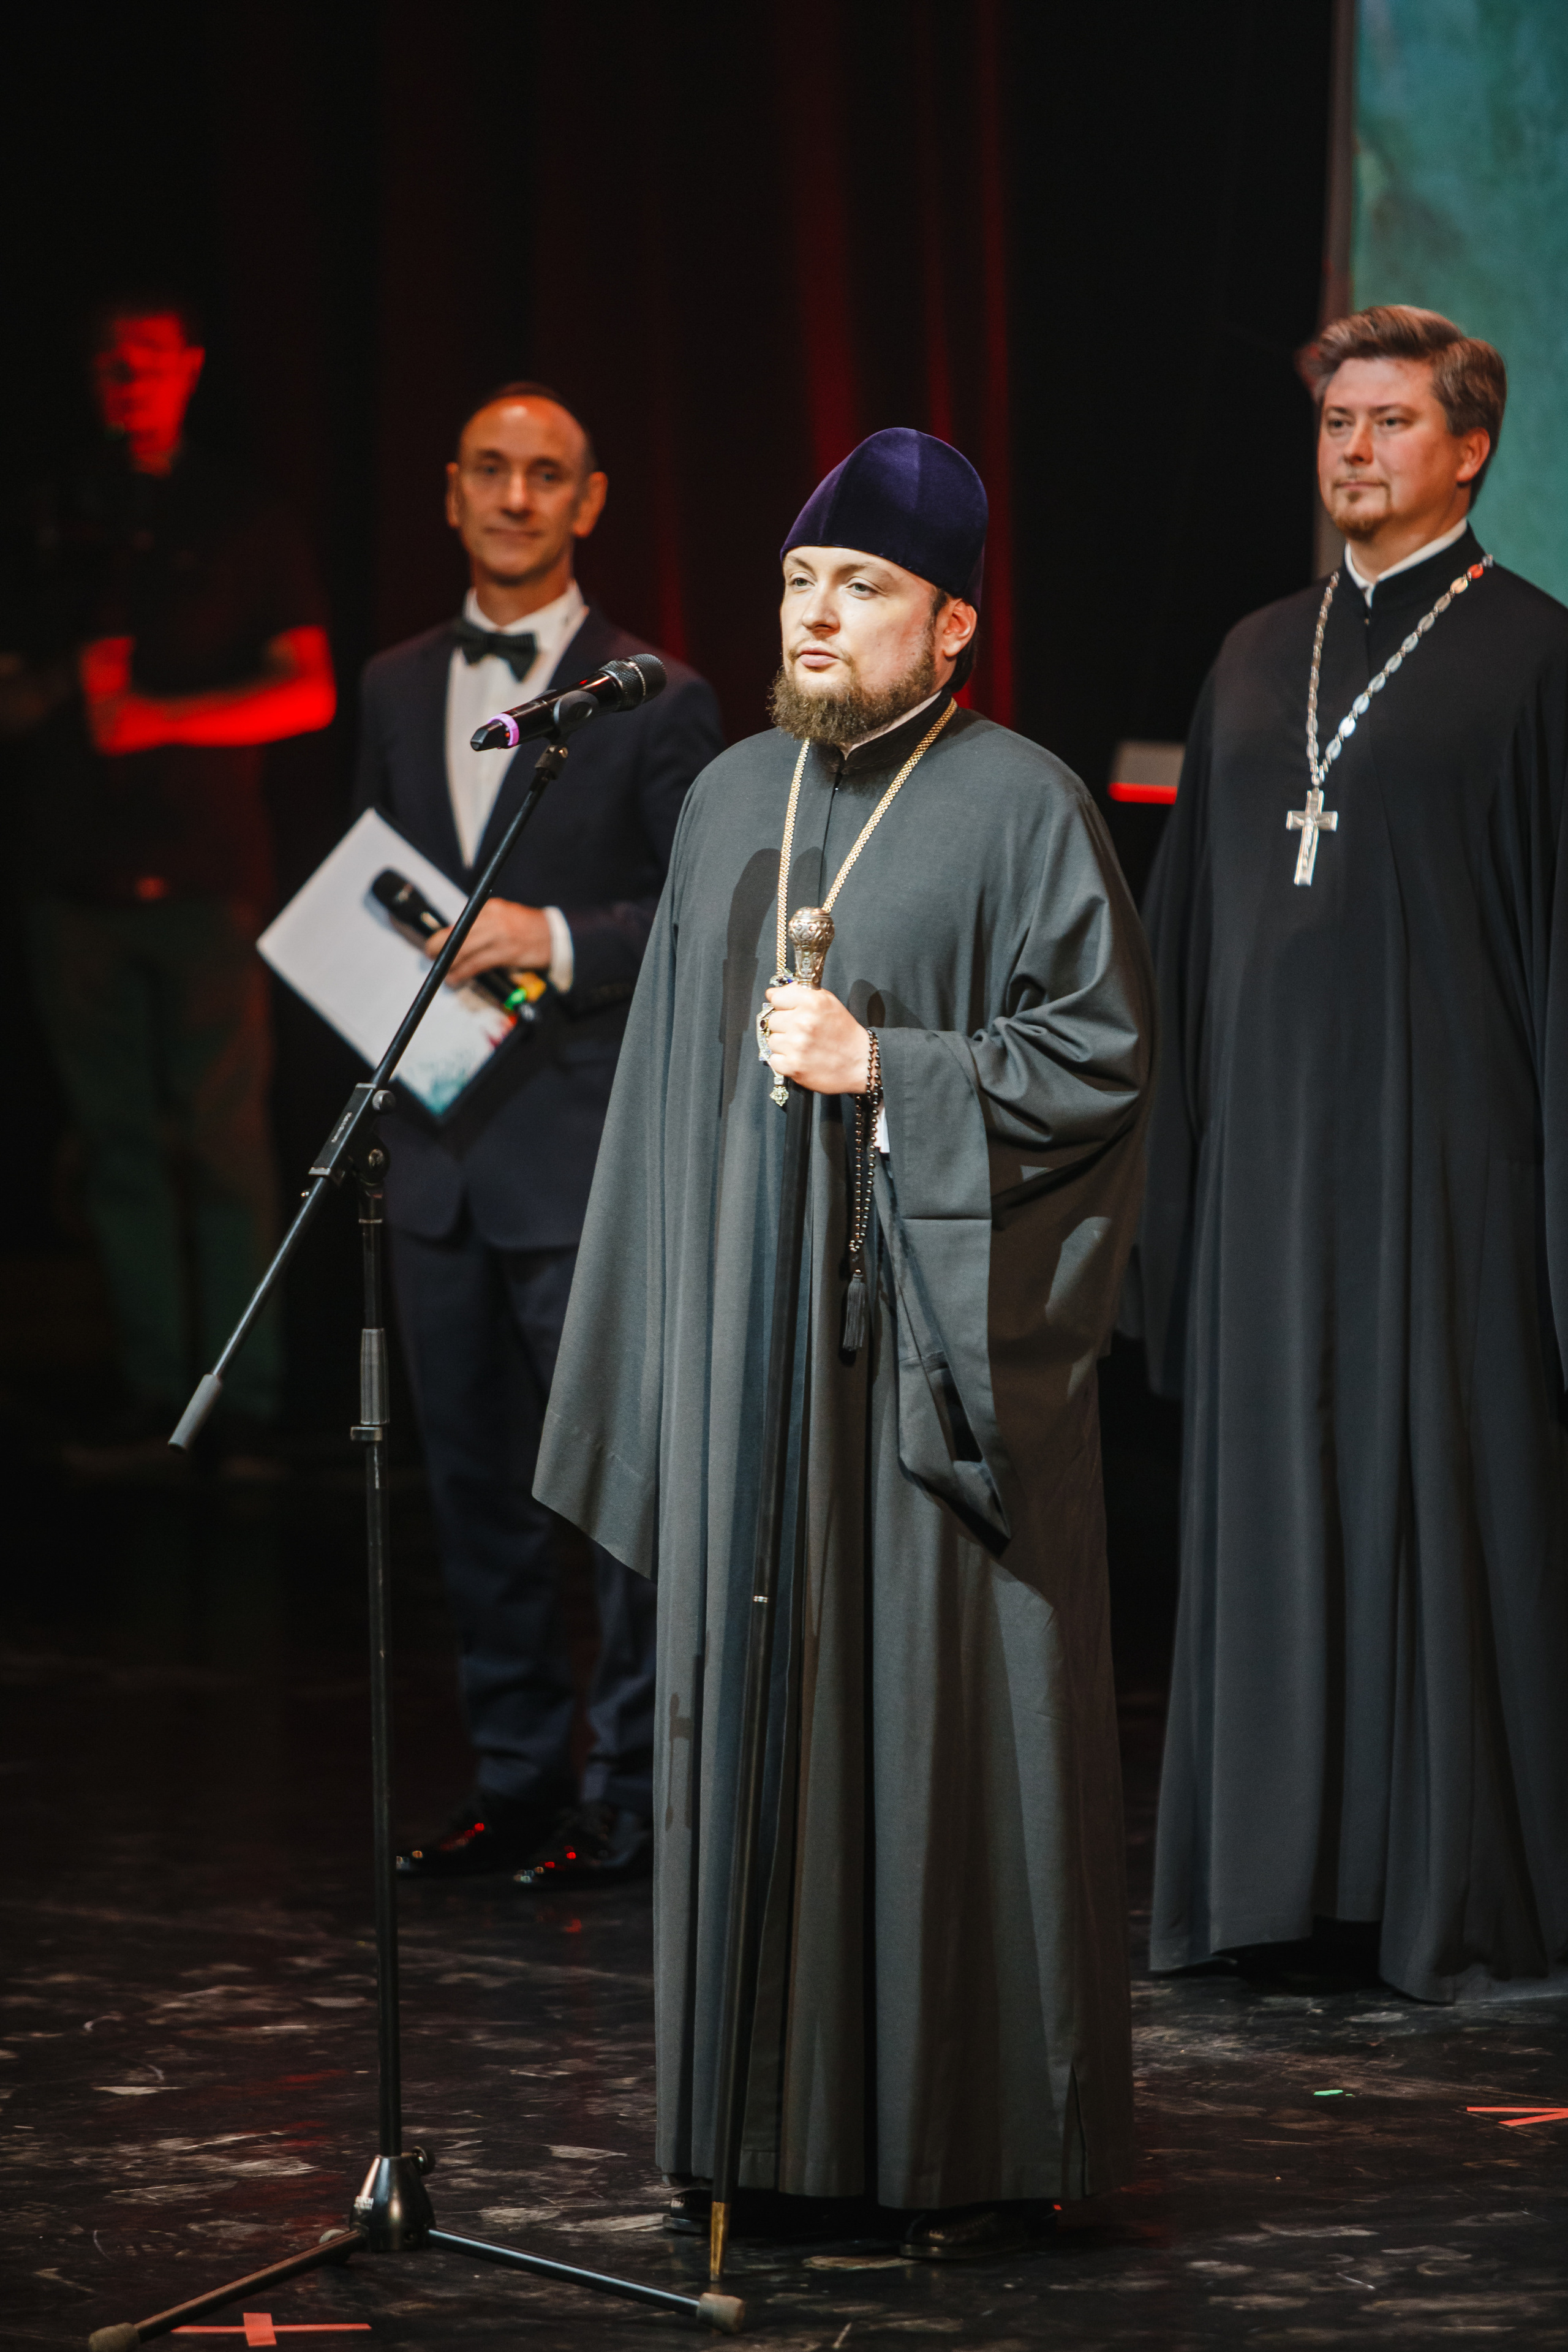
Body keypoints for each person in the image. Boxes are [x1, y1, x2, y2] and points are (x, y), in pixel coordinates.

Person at [535, 428, 1153, 2255]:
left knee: (936, 1735)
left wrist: (897, 1067)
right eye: (801, 584)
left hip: (926, 1372)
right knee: (744, 1733)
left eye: (863, 589)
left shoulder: (1027, 803)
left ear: (950, 626)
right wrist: (656, 1355)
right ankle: (756, 2130)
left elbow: (1105, 1068)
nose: (818, 615)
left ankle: (965, 2146)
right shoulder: (728, 796)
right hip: (750, 1354)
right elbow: (662, 1102)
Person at [1128, 305, 1568, 2002]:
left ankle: (1438, 1895)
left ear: (1470, 448)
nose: (1355, 450)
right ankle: (1270, 1888)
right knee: (1273, 1511)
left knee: (1434, 1518)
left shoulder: (1539, 658)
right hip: (1264, 1183)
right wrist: (1167, 1202)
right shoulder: (1253, 651)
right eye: (1335, 425)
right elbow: (1179, 951)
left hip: (1452, 1182)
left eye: (1390, 422)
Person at [355, 384, 724, 1887]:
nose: (516, 495)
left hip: (584, 1161)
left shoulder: (655, 691)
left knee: (614, 1495)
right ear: (450, 492)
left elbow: (707, 913)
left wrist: (556, 938)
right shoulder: (389, 683)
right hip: (438, 1147)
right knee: (471, 1494)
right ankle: (515, 1778)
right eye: (491, 471)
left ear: (590, 501)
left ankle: (629, 1800)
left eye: (546, 475)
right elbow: (379, 886)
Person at [0, 293, 334, 1471]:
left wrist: (158, 719)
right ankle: (155, 1396)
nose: (126, 385)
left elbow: (308, 690)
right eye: (109, 368)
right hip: (71, 879)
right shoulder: (51, 513)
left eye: (146, 364)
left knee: (224, 1142)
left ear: (188, 370)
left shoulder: (241, 515)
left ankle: (241, 1402)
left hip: (204, 877)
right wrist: (53, 696)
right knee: (118, 1144)